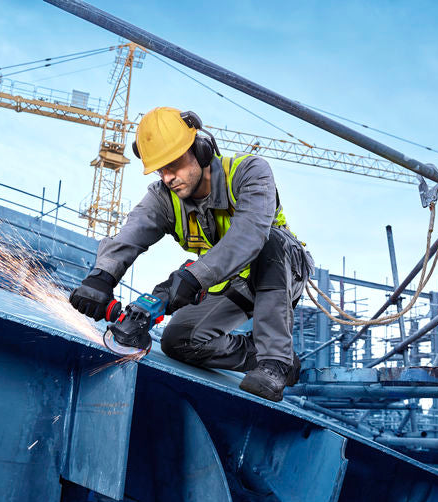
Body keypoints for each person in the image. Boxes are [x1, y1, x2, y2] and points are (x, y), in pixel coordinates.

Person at [70, 107, 313, 402]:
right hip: (229, 279)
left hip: (281, 267)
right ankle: (270, 356)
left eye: (173, 164)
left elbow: (249, 236)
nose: (168, 177)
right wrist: (101, 277)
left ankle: (274, 363)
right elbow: (132, 232)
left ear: (200, 150)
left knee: (271, 242)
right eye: (161, 169)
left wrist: (190, 278)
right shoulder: (162, 196)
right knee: (179, 341)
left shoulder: (249, 172)